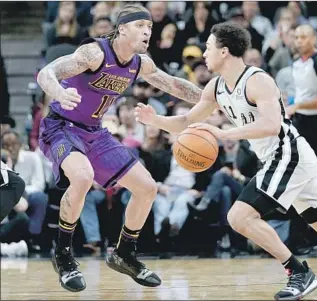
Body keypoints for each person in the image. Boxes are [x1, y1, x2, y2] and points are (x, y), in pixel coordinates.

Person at [135, 22, 317, 300]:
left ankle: (299, 272)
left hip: (288, 155)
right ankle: (301, 271)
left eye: (208, 47)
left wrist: (225, 132)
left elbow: (270, 124)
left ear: (225, 51)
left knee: (239, 217)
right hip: (280, 160)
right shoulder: (216, 87)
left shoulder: (258, 80)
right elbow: (186, 121)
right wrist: (155, 120)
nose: (204, 53)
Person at [36, 4, 202, 292]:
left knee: (147, 188)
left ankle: (124, 253)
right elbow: (45, 73)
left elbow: (174, 85)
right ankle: (63, 254)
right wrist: (60, 92)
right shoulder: (95, 53)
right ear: (122, 28)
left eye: (150, 28)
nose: (147, 32)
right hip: (61, 127)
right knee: (83, 177)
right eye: (141, 26)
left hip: (95, 133)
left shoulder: (140, 63)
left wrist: (213, 100)